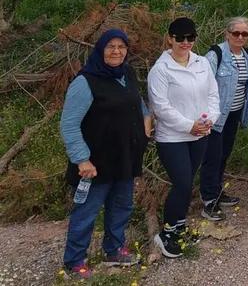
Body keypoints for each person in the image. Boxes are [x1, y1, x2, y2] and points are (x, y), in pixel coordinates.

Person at [59, 29, 151, 277]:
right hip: (94, 164)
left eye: (121, 47)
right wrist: (81, 159)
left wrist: (146, 120)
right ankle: (74, 261)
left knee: (122, 207)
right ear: (100, 50)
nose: (116, 51)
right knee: (86, 213)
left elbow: (137, 102)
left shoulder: (126, 73)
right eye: (110, 46)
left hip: (125, 157)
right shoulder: (85, 82)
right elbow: (69, 124)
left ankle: (114, 250)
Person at [148, 17, 218, 257]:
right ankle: (166, 233)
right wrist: (190, 126)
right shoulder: (160, 69)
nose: (185, 42)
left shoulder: (202, 63)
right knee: (182, 183)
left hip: (201, 133)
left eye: (190, 38)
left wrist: (209, 120)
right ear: (170, 38)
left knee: (188, 184)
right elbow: (161, 107)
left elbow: (213, 94)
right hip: (173, 138)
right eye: (180, 38)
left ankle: (179, 226)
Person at [199, 17, 248, 222]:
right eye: (236, 33)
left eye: (244, 34)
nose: (240, 37)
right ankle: (208, 199)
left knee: (223, 154)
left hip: (234, 114)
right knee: (212, 157)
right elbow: (202, 85)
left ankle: (217, 190)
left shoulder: (247, 56)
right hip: (215, 116)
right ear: (227, 34)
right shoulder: (216, 55)